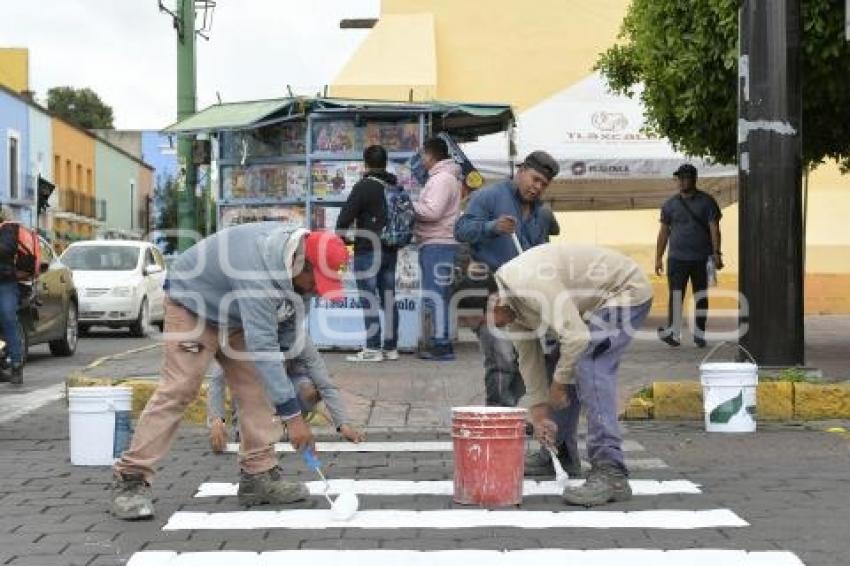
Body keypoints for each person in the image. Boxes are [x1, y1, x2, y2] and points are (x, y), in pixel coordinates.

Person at [110, 224, 350, 520]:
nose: (317, 289)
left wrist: (293, 390)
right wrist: (293, 418)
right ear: (302, 261)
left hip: (238, 314)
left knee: (257, 388)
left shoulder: (301, 277)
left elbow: (286, 338)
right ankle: (132, 479)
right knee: (180, 388)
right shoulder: (259, 270)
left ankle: (258, 476)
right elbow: (264, 347)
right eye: (317, 281)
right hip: (194, 304)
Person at [490, 242, 653, 507]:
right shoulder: (511, 309)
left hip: (625, 291)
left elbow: (577, 337)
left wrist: (559, 384)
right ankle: (560, 451)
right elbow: (530, 364)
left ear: (494, 301)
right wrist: (541, 415)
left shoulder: (529, 285)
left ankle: (611, 471)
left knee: (591, 365)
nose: (491, 325)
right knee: (562, 363)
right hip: (593, 303)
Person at [454, 150, 558, 407]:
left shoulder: (541, 213)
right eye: (534, 179)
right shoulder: (490, 196)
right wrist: (493, 227)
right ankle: (499, 414)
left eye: (543, 184)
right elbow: (461, 230)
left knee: (535, 358)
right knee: (501, 359)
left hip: (525, 296)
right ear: (521, 171)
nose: (537, 187)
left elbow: (541, 253)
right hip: (490, 289)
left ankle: (505, 408)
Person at [207, 314, 364, 452]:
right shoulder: (242, 335)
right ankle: (247, 427)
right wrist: (217, 420)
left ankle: (290, 423)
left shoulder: (298, 338)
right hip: (255, 381)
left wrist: (343, 424)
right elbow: (217, 378)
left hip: (290, 381)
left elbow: (324, 382)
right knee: (246, 382)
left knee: (308, 390)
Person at [336, 145, 401, 363]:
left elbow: (345, 218)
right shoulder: (394, 185)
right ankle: (391, 348)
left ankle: (373, 348)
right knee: (389, 299)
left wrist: (344, 241)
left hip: (367, 250)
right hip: (390, 249)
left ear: (366, 163)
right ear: (385, 162)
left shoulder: (364, 186)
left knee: (369, 299)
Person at [656, 163, 724, 348]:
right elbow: (663, 232)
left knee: (701, 296)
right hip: (677, 258)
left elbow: (714, 229)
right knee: (676, 296)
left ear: (694, 179)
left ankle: (700, 335)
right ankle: (673, 333)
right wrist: (658, 257)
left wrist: (717, 253)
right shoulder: (670, 204)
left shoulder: (707, 201)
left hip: (702, 258)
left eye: (686, 177)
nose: (682, 181)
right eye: (680, 178)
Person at [414, 137, 463, 361]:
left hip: (438, 242)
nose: (421, 160)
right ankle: (439, 341)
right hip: (437, 242)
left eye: (423, 155)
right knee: (437, 295)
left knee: (436, 295)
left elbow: (432, 212)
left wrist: (409, 205)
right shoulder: (443, 178)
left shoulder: (442, 179)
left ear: (431, 155)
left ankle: (441, 344)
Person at [0, 206, 23, 385]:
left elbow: (6, 249)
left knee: (8, 318)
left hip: (5, 283)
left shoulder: (8, 228)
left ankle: (16, 365)